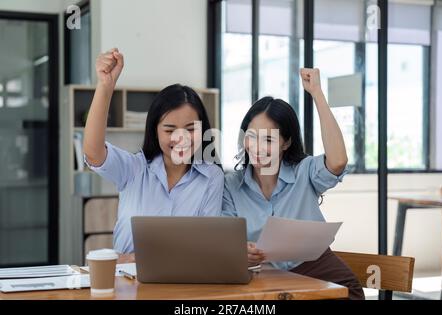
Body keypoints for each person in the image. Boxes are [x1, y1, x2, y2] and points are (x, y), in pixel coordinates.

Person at [222, 68, 364, 299]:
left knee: (348, 293)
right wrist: (240, 250)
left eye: (268, 139)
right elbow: (224, 235)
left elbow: (338, 161)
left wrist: (317, 93)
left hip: (315, 264)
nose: (257, 148)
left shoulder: (304, 171)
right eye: (252, 136)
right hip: (261, 275)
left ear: (286, 143)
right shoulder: (230, 185)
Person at [84, 48, 223, 262]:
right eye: (169, 130)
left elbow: (207, 244)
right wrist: (105, 86)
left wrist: (135, 258)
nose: (181, 138)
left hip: (185, 280)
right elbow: (93, 153)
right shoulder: (134, 168)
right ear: (155, 130)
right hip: (128, 282)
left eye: (190, 129)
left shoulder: (211, 176)